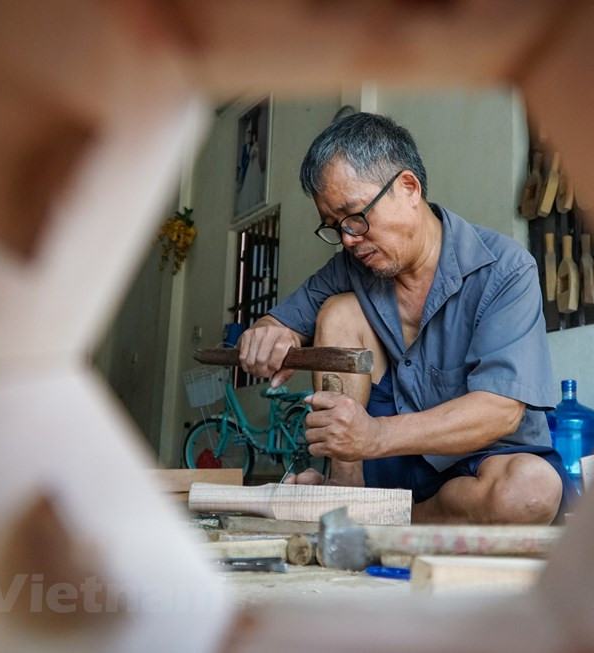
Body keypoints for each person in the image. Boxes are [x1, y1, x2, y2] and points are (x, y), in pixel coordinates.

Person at [238, 112, 573, 525]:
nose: (347, 239)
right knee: (339, 311)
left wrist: (375, 436)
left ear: (408, 187)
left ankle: (392, 520)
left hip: (480, 466)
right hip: (386, 469)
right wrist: (267, 334)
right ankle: (348, 492)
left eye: (355, 216)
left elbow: (499, 411)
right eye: (334, 226)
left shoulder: (504, 269)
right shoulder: (352, 264)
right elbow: (283, 322)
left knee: (532, 491)